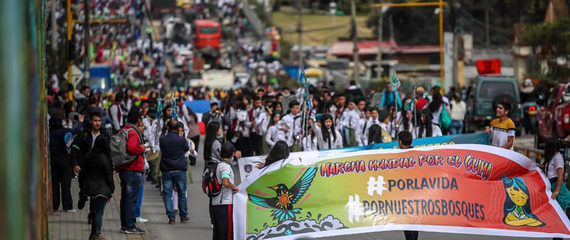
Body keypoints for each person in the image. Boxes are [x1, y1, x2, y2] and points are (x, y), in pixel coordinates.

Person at [118, 110, 146, 234]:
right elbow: (132, 148)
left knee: (125, 199)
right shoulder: (133, 132)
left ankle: (125, 224)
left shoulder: (124, 130)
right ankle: (130, 225)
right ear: (138, 120)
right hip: (133, 170)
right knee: (131, 199)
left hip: (124, 169)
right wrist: (142, 147)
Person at [82, 134, 115, 240]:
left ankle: (93, 235)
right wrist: (111, 190)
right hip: (101, 188)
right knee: (99, 212)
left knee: (96, 211)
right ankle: (97, 234)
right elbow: (109, 176)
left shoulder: (89, 155)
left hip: (90, 187)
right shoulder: (104, 158)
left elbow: (83, 172)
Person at [49, 114, 84, 213]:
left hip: (53, 160)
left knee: (55, 184)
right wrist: (81, 121)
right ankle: (67, 206)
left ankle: (54, 206)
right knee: (66, 184)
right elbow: (77, 130)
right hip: (65, 160)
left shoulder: (49, 133)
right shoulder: (65, 131)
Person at [159, 119, 190, 224]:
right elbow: (186, 149)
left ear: (168, 127)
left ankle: (171, 217)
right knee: (182, 193)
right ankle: (183, 215)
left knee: (167, 194)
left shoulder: (162, 140)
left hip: (166, 169)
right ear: (177, 129)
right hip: (179, 169)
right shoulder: (181, 140)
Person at [543, 138, 570, 240]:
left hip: (556, 186)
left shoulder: (558, 157)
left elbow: (560, 175)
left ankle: (558, 236)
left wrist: (557, 191)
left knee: (559, 214)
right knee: (558, 214)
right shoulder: (552, 156)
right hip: (552, 184)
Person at [211, 143, 239, 240]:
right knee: (226, 234)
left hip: (215, 203)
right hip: (225, 204)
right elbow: (225, 182)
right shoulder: (225, 167)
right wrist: (234, 187)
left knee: (217, 234)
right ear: (232, 154)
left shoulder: (217, 165)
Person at [396, 130, 419, 240]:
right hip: (418, 193)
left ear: (400, 142)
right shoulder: (418, 155)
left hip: (405, 195)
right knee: (415, 221)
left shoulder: (399, 157)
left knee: (407, 222)